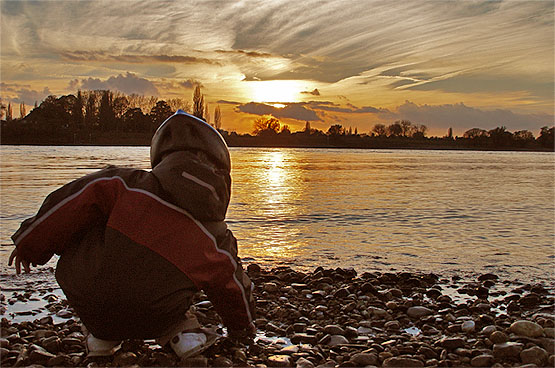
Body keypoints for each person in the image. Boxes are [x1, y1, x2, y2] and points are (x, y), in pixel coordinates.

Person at [8, 110, 256, 357]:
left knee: (86, 218)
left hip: (89, 302)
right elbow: (232, 289)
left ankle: (102, 339)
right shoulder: (218, 238)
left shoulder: (124, 184)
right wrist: (242, 330)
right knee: (199, 273)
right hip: (157, 316)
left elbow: (68, 205)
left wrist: (30, 243)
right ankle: (182, 334)